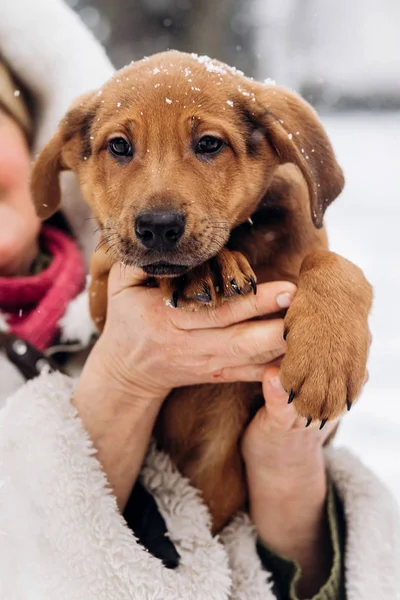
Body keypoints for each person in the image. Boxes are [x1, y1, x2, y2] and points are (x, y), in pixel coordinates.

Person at [0, 1, 399, 599]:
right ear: (70, 159)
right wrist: (125, 374)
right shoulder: (110, 274)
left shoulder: (281, 223)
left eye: (208, 145)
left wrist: (335, 291)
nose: (159, 207)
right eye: (121, 148)